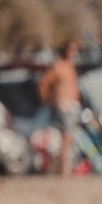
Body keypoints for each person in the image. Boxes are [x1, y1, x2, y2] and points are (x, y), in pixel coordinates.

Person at [38, 40, 82, 178]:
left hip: (72, 105)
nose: (74, 53)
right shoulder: (58, 66)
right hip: (63, 105)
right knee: (66, 137)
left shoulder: (71, 67)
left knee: (69, 138)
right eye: (71, 50)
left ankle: (64, 168)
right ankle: (64, 170)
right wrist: (49, 99)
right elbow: (44, 83)